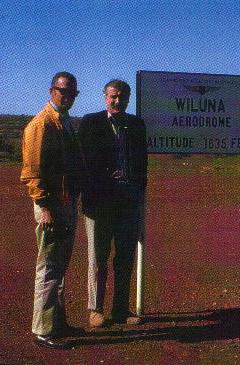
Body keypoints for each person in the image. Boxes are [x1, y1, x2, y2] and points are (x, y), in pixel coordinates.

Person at [78, 79, 147, 328]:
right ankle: (95, 309)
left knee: (125, 258)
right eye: (113, 97)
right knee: (98, 259)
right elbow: (83, 162)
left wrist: (139, 197)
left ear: (128, 99)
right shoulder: (91, 123)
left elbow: (142, 166)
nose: (118, 101)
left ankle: (120, 309)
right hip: (99, 204)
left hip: (128, 203)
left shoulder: (136, 125)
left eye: (122, 97)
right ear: (105, 97)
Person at [21, 72, 83, 349]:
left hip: (66, 202)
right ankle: (43, 329)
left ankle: (57, 322)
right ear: (51, 91)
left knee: (59, 266)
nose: (67, 96)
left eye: (71, 93)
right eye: (62, 91)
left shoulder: (64, 122)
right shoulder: (41, 124)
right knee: (48, 267)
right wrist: (43, 205)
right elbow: (32, 171)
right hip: (51, 205)